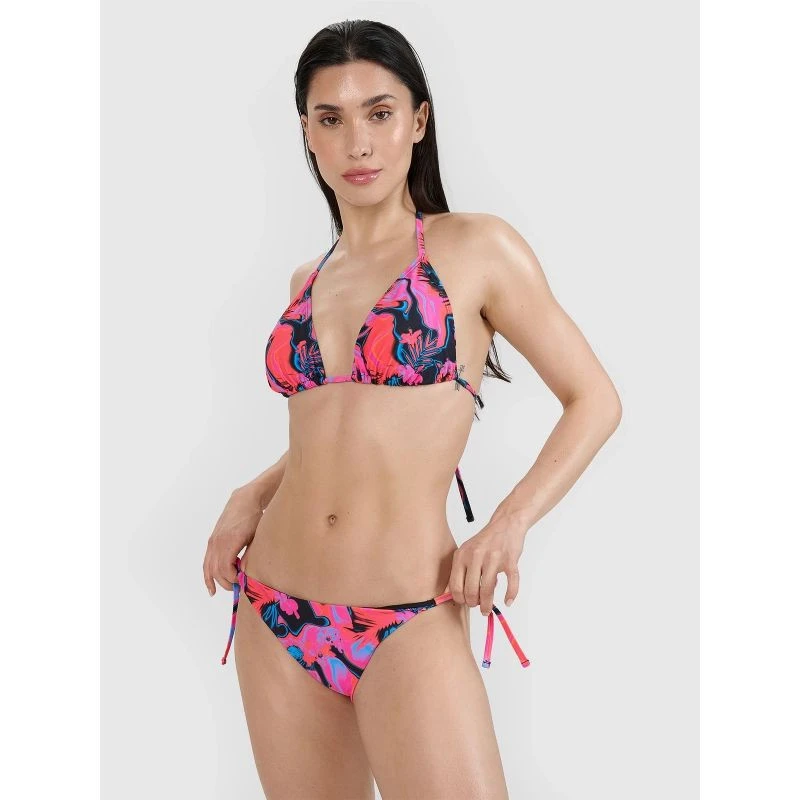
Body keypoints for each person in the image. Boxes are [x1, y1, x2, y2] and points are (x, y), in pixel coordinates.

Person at [202, 19, 622, 800]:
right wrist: (251, 494)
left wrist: (508, 522)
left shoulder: (475, 248)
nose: (357, 142)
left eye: (380, 112)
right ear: (307, 134)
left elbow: (594, 399)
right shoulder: (306, 280)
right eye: (331, 118)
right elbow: (341, 433)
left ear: (419, 121)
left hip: (409, 613)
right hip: (274, 608)